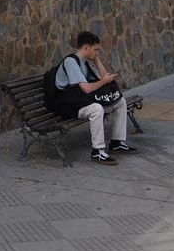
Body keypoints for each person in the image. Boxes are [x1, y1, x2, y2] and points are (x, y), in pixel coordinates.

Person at [53, 31, 135, 163]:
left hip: (78, 100)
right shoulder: (71, 62)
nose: (97, 52)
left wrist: (96, 59)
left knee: (120, 101)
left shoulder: (83, 61)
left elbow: (103, 77)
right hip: (67, 105)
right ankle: (98, 151)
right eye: (95, 50)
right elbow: (86, 88)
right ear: (86, 48)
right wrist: (104, 81)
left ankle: (117, 142)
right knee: (96, 109)